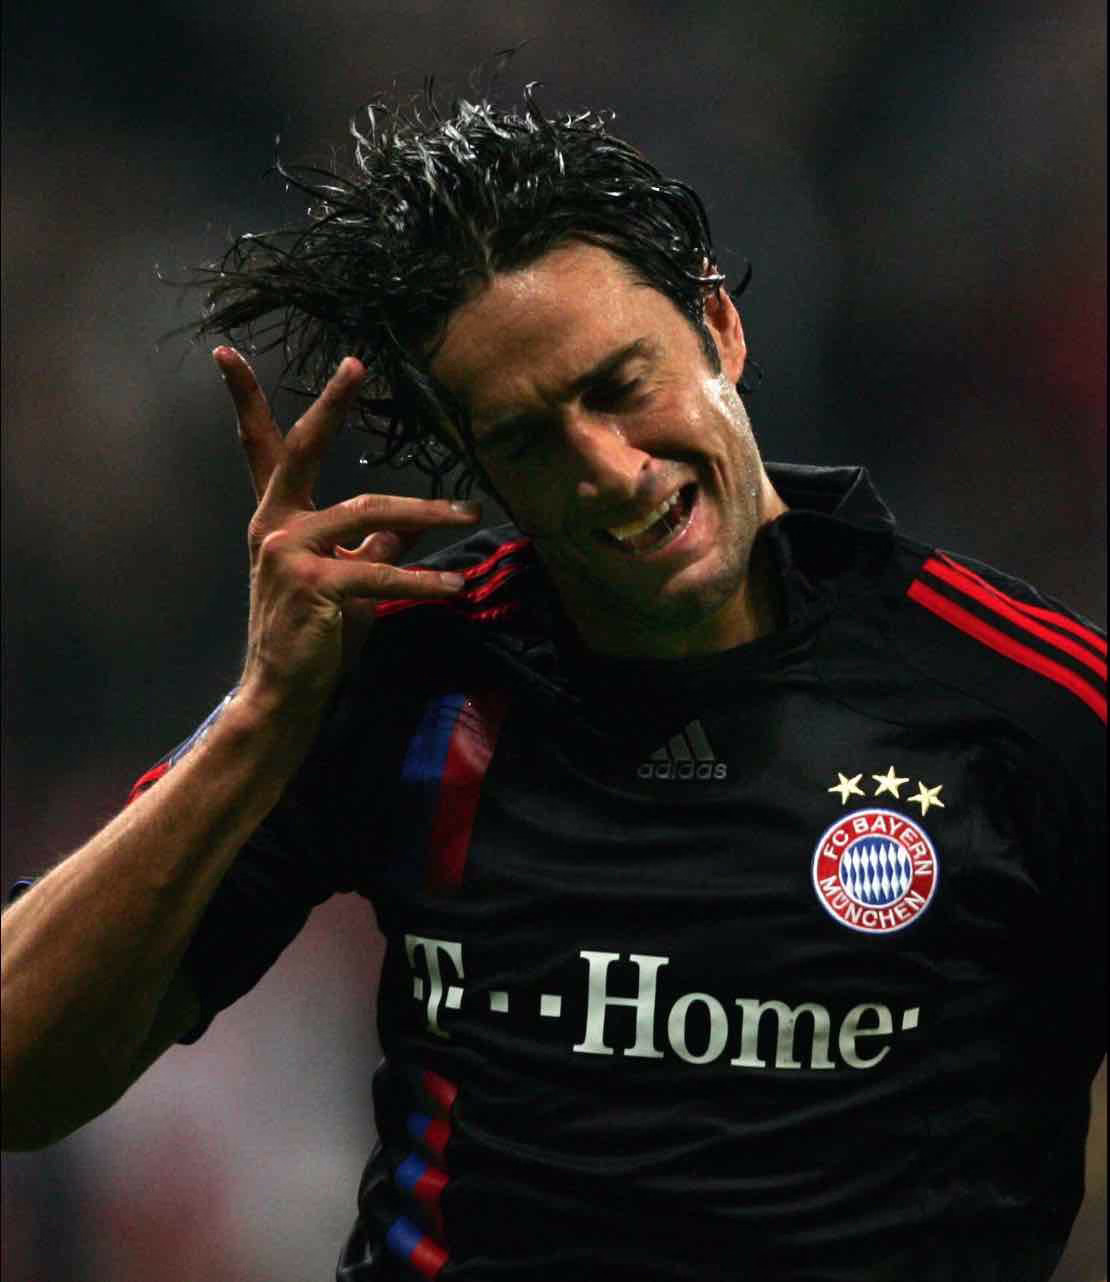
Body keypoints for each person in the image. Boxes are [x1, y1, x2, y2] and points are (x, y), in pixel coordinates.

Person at [1, 86, 1105, 1282]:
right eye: (530, 438)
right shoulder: (402, 669)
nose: (611, 471)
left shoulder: (1028, 706)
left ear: (719, 327)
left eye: (622, 385)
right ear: (475, 465)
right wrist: (264, 716)